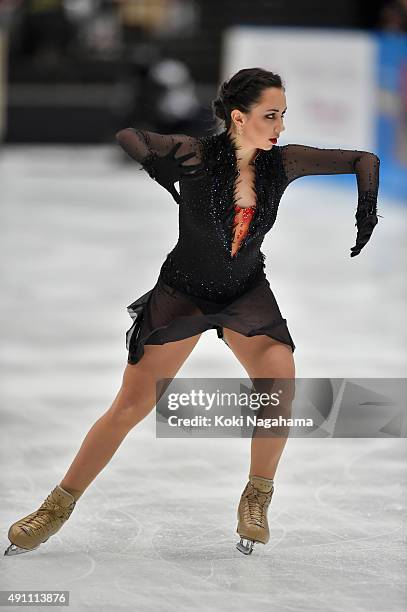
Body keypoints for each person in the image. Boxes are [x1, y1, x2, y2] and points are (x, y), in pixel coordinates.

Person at [5, 67, 380, 558]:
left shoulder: (282, 163)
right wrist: (156, 165)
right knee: (130, 407)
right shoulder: (196, 155)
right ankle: (55, 507)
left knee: (279, 383)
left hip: (244, 291)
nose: (280, 127)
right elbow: (129, 135)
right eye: (271, 116)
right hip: (182, 293)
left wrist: (366, 208)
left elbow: (362, 158)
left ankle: (256, 498)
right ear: (239, 118)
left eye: (283, 115)